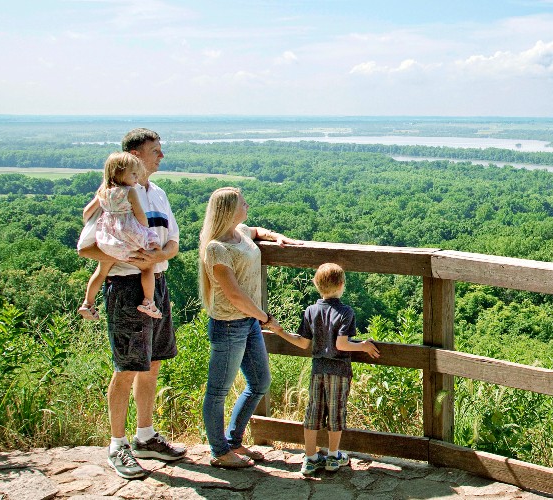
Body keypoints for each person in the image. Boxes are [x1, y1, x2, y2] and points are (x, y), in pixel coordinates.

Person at [77, 128, 186, 479]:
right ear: (134, 156)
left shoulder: (158, 193)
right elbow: (86, 247)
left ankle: (145, 436)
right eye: (155, 150)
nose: (161, 156)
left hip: (157, 283)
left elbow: (173, 242)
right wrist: (132, 257)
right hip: (126, 287)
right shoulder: (111, 195)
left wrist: (162, 253)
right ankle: (117, 444)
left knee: (152, 363)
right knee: (126, 368)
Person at [198, 186, 298, 468]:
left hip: (248, 322)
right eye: (243, 203)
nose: (247, 205)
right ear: (229, 210)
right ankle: (220, 452)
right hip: (229, 324)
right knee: (218, 391)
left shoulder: (239, 233)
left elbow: (256, 230)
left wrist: (277, 237)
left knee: (260, 382)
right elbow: (234, 294)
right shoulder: (217, 248)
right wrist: (265, 318)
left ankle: (234, 442)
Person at [285, 263, 380, 475]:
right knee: (336, 412)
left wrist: (279, 331)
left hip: (318, 368)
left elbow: (302, 342)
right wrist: (363, 346)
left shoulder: (311, 311)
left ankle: (310, 458)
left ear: (316, 285)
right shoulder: (346, 312)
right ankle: (333, 456)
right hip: (339, 370)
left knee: (313, 411)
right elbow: (341, 344)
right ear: (341, 285)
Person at [78, 152, 162, 321]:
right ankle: (148, 301)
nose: (136, 178)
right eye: (133, 174)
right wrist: (146, 230)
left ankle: (87, 303)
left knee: (101, 271)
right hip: (128, 238)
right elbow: (140, 217)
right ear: (119, 172)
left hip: (108, 240)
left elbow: (87, 213)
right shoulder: (130, 192)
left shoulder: (103, 192)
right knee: (148, 266)